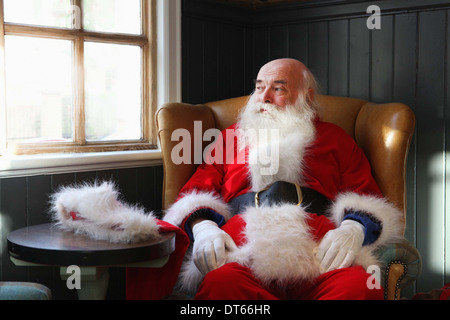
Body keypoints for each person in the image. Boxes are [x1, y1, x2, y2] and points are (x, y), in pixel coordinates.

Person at [162, 58, 405, 300]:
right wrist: (204, 228)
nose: (264, 97)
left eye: (278, 89)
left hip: (319, 253)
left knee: (359, 288)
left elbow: (367, 197)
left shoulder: (336, 139)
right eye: (259, 87)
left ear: (306, 97)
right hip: (242, 251)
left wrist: (354, 229)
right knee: (222, 285)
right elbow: (195, 192)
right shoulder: (229, 138)